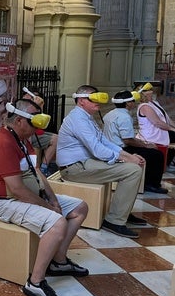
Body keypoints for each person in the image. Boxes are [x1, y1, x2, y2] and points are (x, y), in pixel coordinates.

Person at [0, 98, 89, 296]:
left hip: (31, 196)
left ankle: (58, 262)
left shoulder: (23, 139)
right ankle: (35, 282)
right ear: (20, 121)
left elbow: (38, 172)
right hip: (6, 202)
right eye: (35, 122)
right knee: (57, 222)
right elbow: (16, 189)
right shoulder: (2, 142)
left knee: (80, 207)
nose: (38, 127)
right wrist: (48, 207)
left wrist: (52, 199)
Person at [56, 85, 146, 239]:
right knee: (133, 170)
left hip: (85, 163)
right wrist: (126, 158)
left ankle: (121, 212)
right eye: (93, 97)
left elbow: (104, 141)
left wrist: (128, 155)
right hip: (74, 168)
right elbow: (97, 149)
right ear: (82, 100)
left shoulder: (87, 117)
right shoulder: (78, 119)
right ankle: (115, 221)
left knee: (134, 164)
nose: (98, 101)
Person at [103, 90, 167, 193]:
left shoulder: (109, 114)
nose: (134, 102)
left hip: (110, 146)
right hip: (121, 149)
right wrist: (146, 146)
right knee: (157, 154)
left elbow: (128, 137)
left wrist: (144, 143)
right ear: (128, 103)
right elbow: (128, 140)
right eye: (133, 100)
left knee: (151, 151)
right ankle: (152, 185)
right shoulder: (124, 117)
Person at [136, 83, 175, 171]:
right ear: (144, 93)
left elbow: (167, 119)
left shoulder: (154, 103)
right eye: (149, 90)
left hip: (161, 131)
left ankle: (169, 161)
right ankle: (168, 163)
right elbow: (157, 122)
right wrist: (172, 129)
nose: (152, 91)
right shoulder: (144, 106)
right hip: (153, 134)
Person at [22, 87, 58, 176]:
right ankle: (37, 170)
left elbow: (41, 123)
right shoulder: (20, 105)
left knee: (57, 139)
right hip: (25, 134)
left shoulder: (35, 106)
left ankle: (44, 168)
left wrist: (39, 107)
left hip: (34, 132)